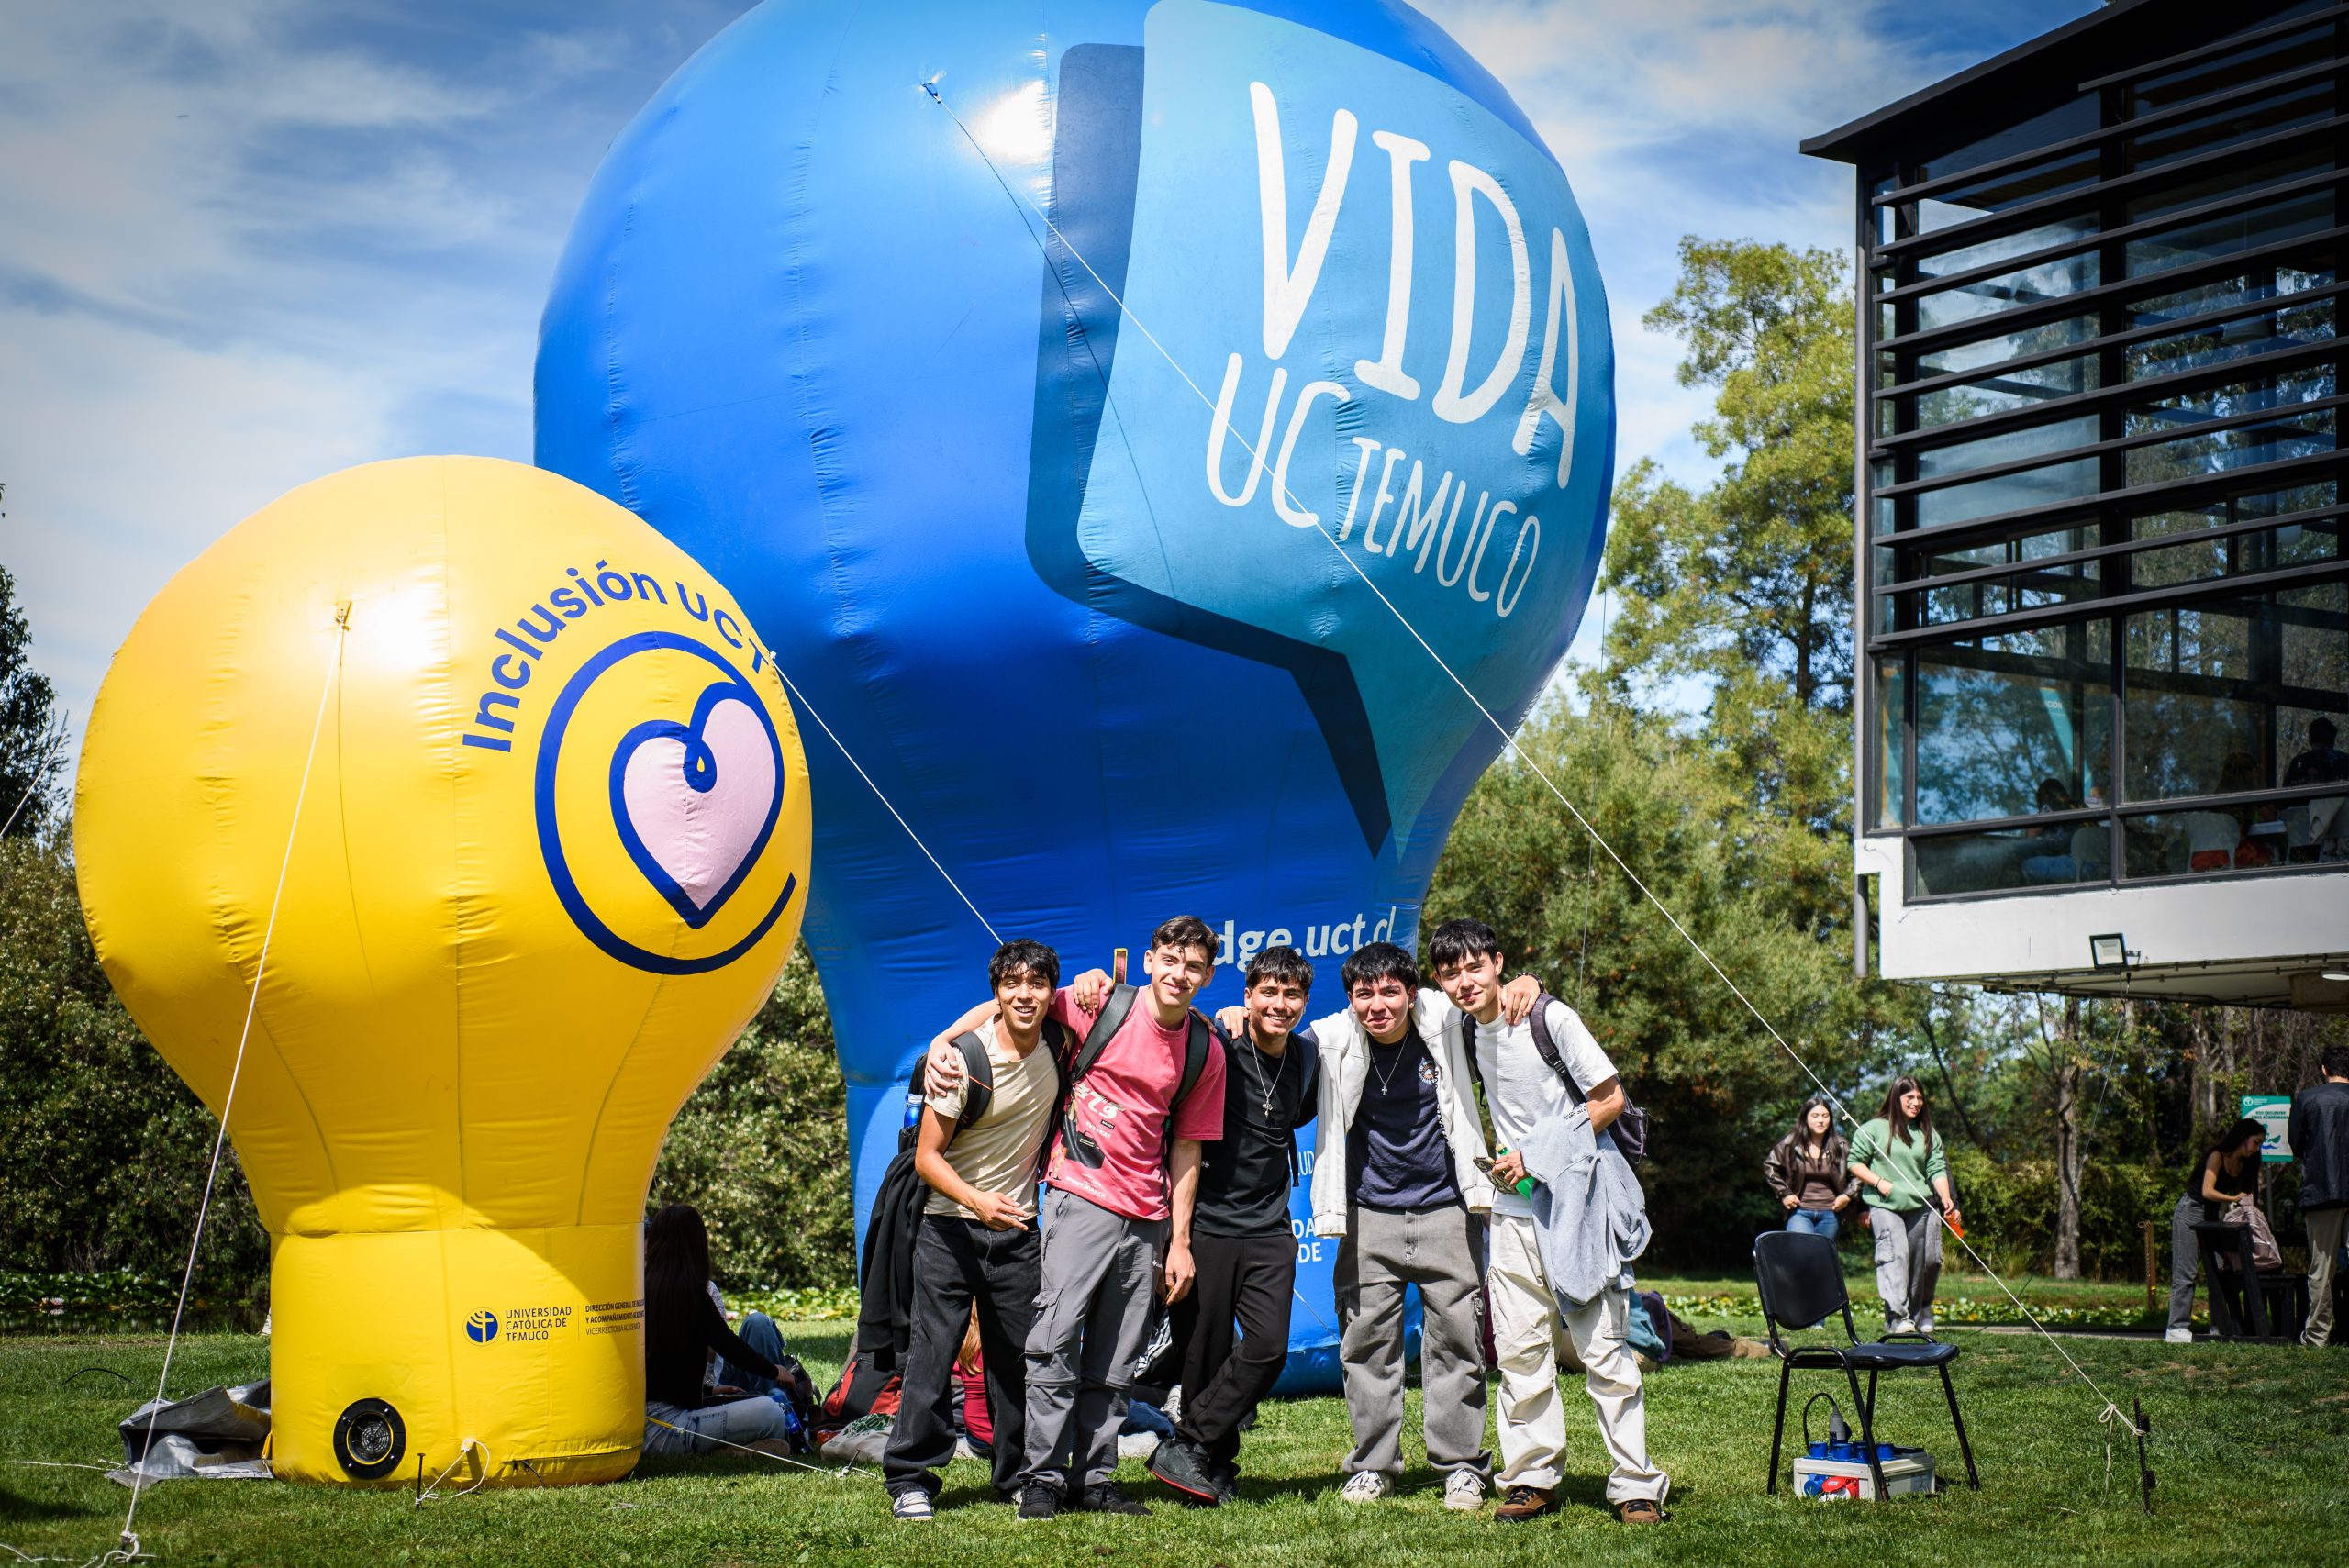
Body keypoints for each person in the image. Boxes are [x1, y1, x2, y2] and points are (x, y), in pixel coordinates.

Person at [926, 916, 1228, 1521]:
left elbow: (1188, 1146)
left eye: (1194, 966)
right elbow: (1013, 1004)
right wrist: (943, 1040)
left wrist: (1180, 1241)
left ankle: (1095, 1479)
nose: (1180, 973)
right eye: (1171, 960)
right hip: (1078, 1195)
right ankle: (1041, 1478)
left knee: (1116, 1359)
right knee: (1055, 1340)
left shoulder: (1205, 1048)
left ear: (1208, 976)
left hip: (1147, 1215)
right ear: (1149, 961)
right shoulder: (1100, 1004)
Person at [1428, 919, 1668, 1527]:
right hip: (1512, 1212)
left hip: (1579, 1204)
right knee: (1520, 1351)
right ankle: (1530, 1477)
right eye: (1451, 973)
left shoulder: (1548, 1017)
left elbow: (1609, 1099)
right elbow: (1389, 1002)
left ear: (1498, 962)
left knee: (1604, 1351)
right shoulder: (1460, 1027)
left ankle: (1636, 1483)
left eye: (1475, 967)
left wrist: (1535, 1153)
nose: (1465, 981)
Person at [1308, 941, 1499, 1511]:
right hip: (1367, 1216)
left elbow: (1490, 1000)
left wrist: (1526, 984)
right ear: (1350, 999)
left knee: (1458, 1344)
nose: (1378, 1005)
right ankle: (1372, 1467)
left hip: (1448, 1211)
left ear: (1412, 993)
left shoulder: (1445, 1020)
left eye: (1390, 991)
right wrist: (1234, 1017)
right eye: (1364, 994)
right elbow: (1274, 1037)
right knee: (1366, 1348)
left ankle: (1461, 1467)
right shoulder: (1333, 1037)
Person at [883, 939, 1064, 1520]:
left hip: (1018, 1234)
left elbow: (1099, 991)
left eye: (1036, 984)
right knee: (931, 1358)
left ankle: (1016, 1475)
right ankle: (910, 1478)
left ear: (1051, 992)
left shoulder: (1060, 1039)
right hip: (949, 1229)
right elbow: (926, 1159)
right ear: (997, 993)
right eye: (1012, 984)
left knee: (1016, 1362)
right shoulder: (962, 1062)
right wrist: (975, 1201)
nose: (1024, 996)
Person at [1146, 945, 1320, 1507]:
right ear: (1247, 996)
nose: (1279, 1004)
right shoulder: (1218, 1041)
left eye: (1291, 994)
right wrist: (1178, 1237)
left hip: (1270, 1226)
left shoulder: (1307, 1059)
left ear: (1305, 1002)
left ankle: (1187, 1444)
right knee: (1205, 1353)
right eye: (1268, 992)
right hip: (1207, 1224)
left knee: (1268, 1347)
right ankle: (1213, 1465)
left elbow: (1297, 1116)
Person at [641, 1204, 796, 1458]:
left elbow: (663, 1377)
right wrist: (774, 1370)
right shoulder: (689, 1292)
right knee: (772, 1412)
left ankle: (732, 1450)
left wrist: (709, 1392)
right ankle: (731, 1451)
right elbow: (728, 1345)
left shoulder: (641, 1291)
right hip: (670, 1429)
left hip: (641, 1426)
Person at [1847, 1078, 1961, 1336]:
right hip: (1885, 1205)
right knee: (1896, 1256)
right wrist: (1879, 1182)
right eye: (1910, 1098)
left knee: (1927, 1260)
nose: (1916, 1103)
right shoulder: (1874, 1128)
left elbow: (1936, 1168)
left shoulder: (1928, 1133)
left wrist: (1946, 1197)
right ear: (1895, 1099)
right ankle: (1897, 1316)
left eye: (1919, 1098)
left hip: (1921, 1205)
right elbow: (1854, 1163)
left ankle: (1920, 1312)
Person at [2163, 1118, 2266, 1344]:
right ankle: (2176, 1328)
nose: (2257, 1148)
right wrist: (2233, 1198)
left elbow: (2245, 1197)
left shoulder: (2246, 1164)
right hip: (2191, 1211)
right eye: (2256, 1142)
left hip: (2213, 1215)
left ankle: (2218, 1325)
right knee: (2186, 1271)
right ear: (2243, 1137)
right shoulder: (2217, 1155)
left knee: (2220, 1269)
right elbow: (2207, 1191)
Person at [2289, 1051, 2349, 1349]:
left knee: (2321, 1269)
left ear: (2324, 1069)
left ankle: (2317, 1336)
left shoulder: (2307, 1098)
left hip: (2321, 1190)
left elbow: (2296, 1144)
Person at [1765, 1096, 1857, 1241]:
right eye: (1815, 1116)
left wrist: (1847, 1195)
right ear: (1805, 1118)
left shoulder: (1841, 1145)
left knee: (1822, 1254)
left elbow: (1857, 1173)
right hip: (1799, 1212)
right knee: (1801, 1250)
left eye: (1825, 1116)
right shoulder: (1790, 1143)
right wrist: (1784, 1193)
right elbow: (1770, 1166)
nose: (1821, 1120)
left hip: (1831, 1213)